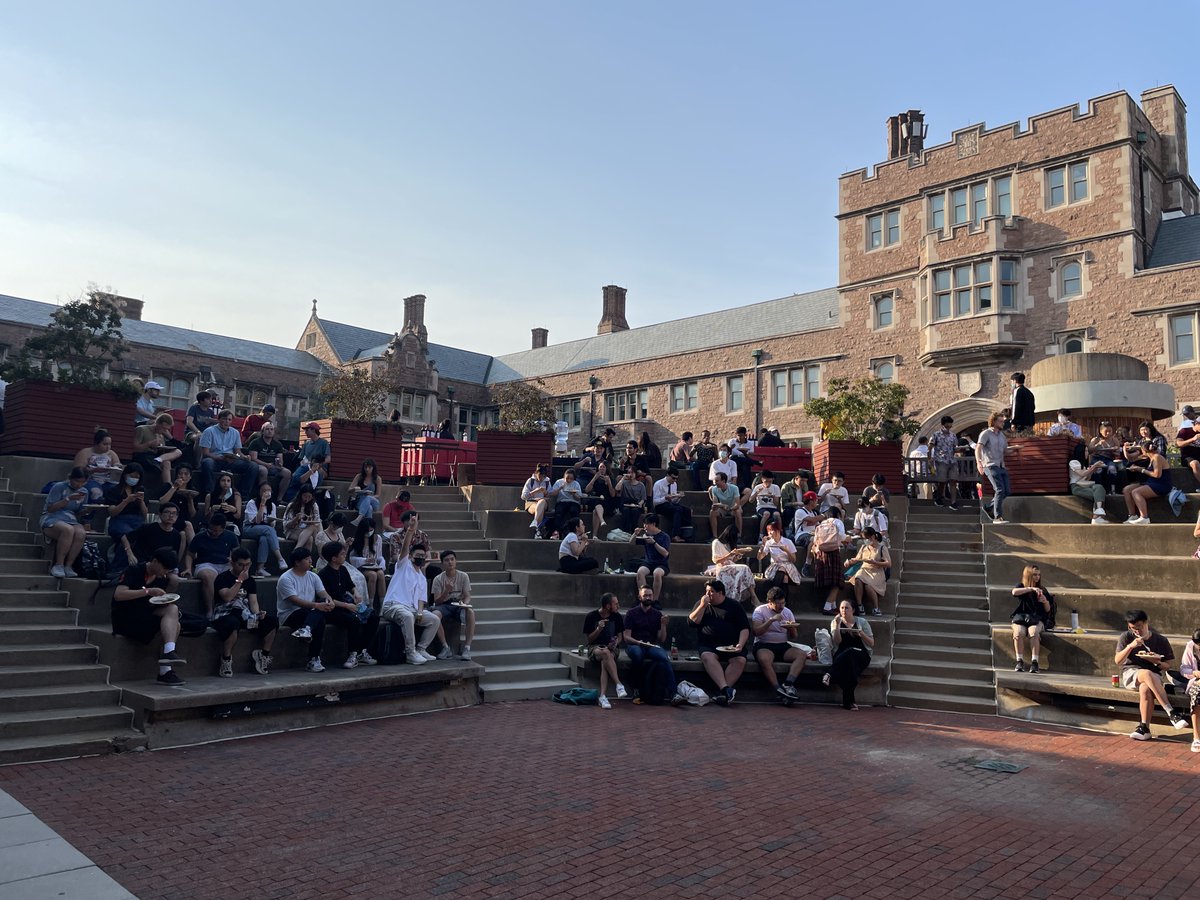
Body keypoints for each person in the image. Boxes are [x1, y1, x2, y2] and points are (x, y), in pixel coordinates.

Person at [112, 548, 186, 685]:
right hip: (126, 618)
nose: (165, 573)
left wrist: (165, 599)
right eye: (164, 568)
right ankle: (165, 670)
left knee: (173, 612)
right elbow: (119, 595)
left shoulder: (161, 579)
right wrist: (147, 591)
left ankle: (168, 655)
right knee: (174, 625)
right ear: (155, 561)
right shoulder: (134, 571)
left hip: (145, 613)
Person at [1115, 609, 1190, 739]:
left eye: (1139, 627)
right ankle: (1171, 712)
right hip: (1131, 674)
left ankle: (1144, 728)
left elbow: (1168, 665)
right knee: (1146, 674)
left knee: (1145, 688)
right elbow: (1118, 661)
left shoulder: (1160, 640)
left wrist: (1156, 662)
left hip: (1154, 676)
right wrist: (1130, 646)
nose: (1137, 631)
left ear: (1146, 623)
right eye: (1133, 628)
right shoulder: (1126, 637)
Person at [379, 518, 441, 665]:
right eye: (417, 555)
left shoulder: (422, 577)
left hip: (412, 609)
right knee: (407, 616)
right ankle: (410, 653)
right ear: (411, 556)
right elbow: (405, 547)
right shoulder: (403, 565)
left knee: (434, 619)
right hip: (393, 606)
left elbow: (421, 599)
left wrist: (420, 612)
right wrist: (411, 530)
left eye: (423, 556)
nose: (420, 558)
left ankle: (421, 649)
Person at [211, 547, 280, 676]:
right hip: (225, 614)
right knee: (233, 623)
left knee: (272, 621)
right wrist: (239, 581)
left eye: (247, 565)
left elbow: (253, 602)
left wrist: (258, 614)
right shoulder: (222, 578)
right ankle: (226, 659)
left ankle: (263, 655)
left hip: (244, 613)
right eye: (241, 565)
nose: (244, 568)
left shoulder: (250, 580)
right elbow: (227, 597)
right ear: (232, 563)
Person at [316, 541, 380, 669]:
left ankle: (362, 651)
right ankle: (352, 654)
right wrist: (346, 605)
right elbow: (327, 599)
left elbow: (350, 586)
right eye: (342, 554)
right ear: (334, 558)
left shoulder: (343, 569)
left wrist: (356, 593)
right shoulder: (323, 574)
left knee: (373, 617)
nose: (344, 555)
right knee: (353, 621)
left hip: (347, 603)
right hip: (333, 609)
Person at [688, 580, 750, 706]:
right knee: (707, 657)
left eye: (711, 592)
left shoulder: (734, 606)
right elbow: (692, 622)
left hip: (731, 646)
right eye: (706, 591)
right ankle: (725, 690)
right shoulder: (701, 604)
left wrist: (740, 644)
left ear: (720, 593)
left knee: (740, 660)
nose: (707, 594)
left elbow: (745, 628)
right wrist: (702, 606)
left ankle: (723, 692)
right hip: (709, 645)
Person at [622, 585, 675, 702]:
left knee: (664, 657)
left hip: (651, 646)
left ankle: (673, 693)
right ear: (639, 597)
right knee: (637, 654)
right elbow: (626, 637)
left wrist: (663, 625)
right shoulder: (631, 613)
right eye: (645, 595)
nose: (648, 598)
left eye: (650, 595)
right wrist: (638, 643)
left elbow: (662, 639)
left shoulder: (657, 614)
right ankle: (636, 688)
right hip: (635, 644)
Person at [752, 587, 805, 701]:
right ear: (770, 602)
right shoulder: (760, 611)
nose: (781, 606)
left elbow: (794, 636)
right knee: (764, 659)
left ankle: (788, 684)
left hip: (782, 645)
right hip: (764, 644)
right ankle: (777, 688)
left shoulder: (787, 612)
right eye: (778, 604)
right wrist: (771, 620)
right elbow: (756, 632)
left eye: (783, 603)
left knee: (801, 655)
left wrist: (791, 628)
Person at [186, 512, 241, 613]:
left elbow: (237, 553)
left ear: (223, 528)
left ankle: (233, 607)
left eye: (216, 531)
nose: (213, 532)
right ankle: (210, 610)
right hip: (205, 564)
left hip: (225, 563)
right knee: (209, 576)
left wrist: (233, 560)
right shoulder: (200, 537)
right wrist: (188, 568)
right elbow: (190, 554)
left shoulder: (231, 536)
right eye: (211, 529)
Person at [40, 466, 89, 578]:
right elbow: (50, 508)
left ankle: (69, 565)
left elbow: (79, 511)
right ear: (71, 478)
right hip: (53, 517)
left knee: (81, 533)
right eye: (77, 481)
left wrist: (88, 510)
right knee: (68, 529)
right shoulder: (59, 486)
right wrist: (68, 499)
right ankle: (59, 564)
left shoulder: (84, 491)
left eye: (82, 482)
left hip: (71, 518)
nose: (79, 485)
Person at [825, 599, 874, 710]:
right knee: (850, 667)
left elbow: (871, 643)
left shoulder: (862, 622)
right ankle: (849, 702)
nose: (843, 610)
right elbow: (837, 641)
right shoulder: (835, 622)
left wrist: (861, 633)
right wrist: (837, 625)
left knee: (851, 651)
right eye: (842, 608)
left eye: (847, 608)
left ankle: (830, 673)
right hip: (842, 655)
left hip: (860, 654)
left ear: (853, 610)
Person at [582, 592, 627, 709]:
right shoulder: (591, 616)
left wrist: (615, 643)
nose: (618, 606)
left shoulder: (617, 617)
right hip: (595, 648)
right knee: (605, 653)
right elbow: (589, 639)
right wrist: (598, 629)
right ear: (608, 606)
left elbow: (620, 637)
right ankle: (618, 684)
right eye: (616, 604)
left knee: (605, 659)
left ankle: (602, 697)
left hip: (612, 648)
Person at [199, 409, 256, 497]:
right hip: (215, 459)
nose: (227, 422)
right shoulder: (209, 431)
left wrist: (244, 457)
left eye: (229, 420)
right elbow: (205, 453)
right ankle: (209, 493)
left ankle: (243, 495)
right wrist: (220, 458)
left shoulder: (235, 432)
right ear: (219, 419)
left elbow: (237, 452)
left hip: (231, 461)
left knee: (253, 466)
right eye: (224, 419)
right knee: (207, 463)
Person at [430, 549, 475, 660]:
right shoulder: (438, 579)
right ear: (442, 563)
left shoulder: (463, 576)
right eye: (447, 560)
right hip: (444, 605)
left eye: (452, 559)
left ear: (455, 561)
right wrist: (446, 591)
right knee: (435, 615)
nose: (450, 562)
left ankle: (467, 648)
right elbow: (437, 601)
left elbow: (467, 596)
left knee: (470, 612)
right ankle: (445, 647)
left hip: (458, 604)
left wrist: (465, 604)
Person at [105, 462, 149, 572]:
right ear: (125, 475)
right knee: (127, 535)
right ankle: (119, 567)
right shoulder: (114, 490)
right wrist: (126, 501)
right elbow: (112, 512)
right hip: (119, 520)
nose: (134, 479)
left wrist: (141, 502)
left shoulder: (141, 490)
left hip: (136, 520)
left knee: (143, 535)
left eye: (137, 477)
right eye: (132, 476)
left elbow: (145, 514)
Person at [129, 503, 187, 584]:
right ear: (160, 514)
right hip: (145, 563)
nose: (171, 515)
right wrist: (129, 553)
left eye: (174, 513)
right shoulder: (148, 528)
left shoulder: (176, 535)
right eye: (167, 512)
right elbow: (125, 537)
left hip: (163, 566)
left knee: (174, 580)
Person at [1010, 565, 1053, 673]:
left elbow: (1048, 610)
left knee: (1033, 632)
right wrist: (1031, 589)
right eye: (1034, 575)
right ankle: (1019, 661)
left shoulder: (1042, 589)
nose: (1037, 577)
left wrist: (1045, 601)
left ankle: (1035, 662)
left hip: (1036, 619)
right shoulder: (1022, 586)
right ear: (1028, 575)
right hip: (1021, 619)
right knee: (1018, 632)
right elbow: (1014, 592)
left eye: (1039, 575)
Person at [977, 411, 1015, 523]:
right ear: (994, 421)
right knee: (999, 489)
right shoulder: (986, 434)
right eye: (1001, 421)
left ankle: (988, 508)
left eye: (1003, 421)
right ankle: (997, 517)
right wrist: (979, 462)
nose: (1003, 423)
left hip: (1001, 466)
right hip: (990, 465)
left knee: (1006, 491)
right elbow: (978, 448)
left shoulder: (1002, 436)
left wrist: (1015, 448)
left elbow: (1005, 450)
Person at [243, 481, 288, 577]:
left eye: (269, 490)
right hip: (249, 528)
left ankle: (260, 568)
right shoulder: (252, 503)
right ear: (259, 492)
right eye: (264, 491)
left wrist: (271, 521)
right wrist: (262, 503)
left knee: (264, 538)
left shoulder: (272, 505)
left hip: (264, 529)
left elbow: (272, 525)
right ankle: (280, 558)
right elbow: (257, 521)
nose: (267, 493)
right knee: (268, 530)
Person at [704, 524, 755, 607]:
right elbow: (716, 560)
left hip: (731, 566)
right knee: (745, 568)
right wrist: (730, 554)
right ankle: (753, 597)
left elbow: (731, 560)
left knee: (743, 572)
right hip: (722, 567)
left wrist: (737, 556)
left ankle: (751, 596)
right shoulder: (716, 542)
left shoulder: (729, 544)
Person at [812, 508, 850, 613]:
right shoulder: (838, 522)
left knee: (830, 581)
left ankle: (833, 606)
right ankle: (827, 607)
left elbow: (815, 540)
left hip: (821, 554)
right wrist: (849, 538)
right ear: (838, 514)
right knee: (837, 582)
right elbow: (842, 537)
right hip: (833, 552)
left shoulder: (822, 524)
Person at [1122, 443, 1171, 524]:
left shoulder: (1157, 457)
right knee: (1127, 490)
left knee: (1136, 492)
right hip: (1151, 482)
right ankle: (1132, 515)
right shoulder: (1151, 458)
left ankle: (1144, 517)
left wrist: (1142, 470)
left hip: (1161, 484)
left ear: (1144, 450)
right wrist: (1137, 469)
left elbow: (1157, 475)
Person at [845, 527, 889, 617]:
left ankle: (876, 608)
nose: (865, 541)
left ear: (872, 537)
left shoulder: (882, 548)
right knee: (858, 578)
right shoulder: (864, 547)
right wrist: (849, 562)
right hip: (864, 569)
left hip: (876, 571)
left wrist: (875, 562)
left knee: (868, 586)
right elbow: (857, 559)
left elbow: (888, 564)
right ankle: (859, 605)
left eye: (866, 538)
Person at [132, 412, 183, 485]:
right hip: (143, 456)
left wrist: (163, 449)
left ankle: (167, 486)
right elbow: (134, 448)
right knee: (166, 463)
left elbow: (160, 448)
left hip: (155, 456)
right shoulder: (142, 429)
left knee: (176, 453)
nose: (165, 431)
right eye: (164, 428)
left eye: (167, 429)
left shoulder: (160, 435)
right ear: (159, 424)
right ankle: (167, 484)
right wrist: (149, 444)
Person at [74, 428, 122, 502]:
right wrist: (93, 470)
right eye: (105, 444)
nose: (108, 447)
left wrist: (116, 467)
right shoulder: (85, 452)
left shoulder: (112, 453)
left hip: (107, 480)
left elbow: (117, 466)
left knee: (116, 491)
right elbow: (78, 470)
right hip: (90, 479)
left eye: (109, 444)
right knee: (96, 492)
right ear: (97, 443)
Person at [286, 422, 331, 500]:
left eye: (307, 430)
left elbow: (328, 459)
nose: (305, 432)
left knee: (316, 472)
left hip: (320, 468)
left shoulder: (324, 443)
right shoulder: (306, 444)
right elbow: (301, 458)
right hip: (306, 466)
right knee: (296, 475)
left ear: (313, 430)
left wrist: (318, 465)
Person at [246, 421, 291, 498]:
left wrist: (279, 465)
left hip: (273, 466)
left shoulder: (278, 444)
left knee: (287, 473)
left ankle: (280, 498)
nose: (269, 431)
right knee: (263, 470)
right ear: (262, 431)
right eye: (267, 429)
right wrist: (266, 464)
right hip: (259, 465)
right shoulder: (255, 442)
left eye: (271, 429)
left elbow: (280, 458)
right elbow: (253, 459)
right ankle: (262, 496)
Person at [632, 514, 670, 602]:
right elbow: (631, 542)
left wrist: (654, 543)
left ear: (653, 524)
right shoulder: (645, 535)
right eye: (644, 524)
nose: (644, 526)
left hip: (661, 564)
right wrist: (635, 534)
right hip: (648, 562)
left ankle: (654, 601)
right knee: (640, 572)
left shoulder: (664, 536)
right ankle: (643, 598)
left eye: (647, 524)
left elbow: (665, 553)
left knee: (657, 573)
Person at [349, 519, 387, 605]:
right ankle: (370, 603)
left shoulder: (378, 538)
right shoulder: (357, 540)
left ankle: (382, 603)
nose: (369, 533)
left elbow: (379, 556)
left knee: (381, 574)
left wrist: (381, 563)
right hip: (362, 566)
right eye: (367, 531)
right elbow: (352, 558)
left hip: (374, 566)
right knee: (372, 575)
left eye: (371, 530)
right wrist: (364, 560)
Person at [758, 520, 800, 599]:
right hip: (774, 566)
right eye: (768, 531)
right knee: (784, 579)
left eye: (771, 530)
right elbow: (759, 557)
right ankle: (781, 600)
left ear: (778, 531)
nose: (769, 533)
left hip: (788, 566)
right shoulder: (769, 543)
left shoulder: (788, 542)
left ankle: (773, 596)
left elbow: (793, 559)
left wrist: (786, 550)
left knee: (782, 569)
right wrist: (763, 545)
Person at [159, 464, 199, 538]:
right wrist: (174, 487)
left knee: (183, 534)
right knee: (187, 525)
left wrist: (190, 500)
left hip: (184, 519)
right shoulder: (168, 486)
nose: (182, 476)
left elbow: (192, 514)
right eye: (180, 473)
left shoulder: (193, 491)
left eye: (186, 474)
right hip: (169, 517)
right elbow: (162, 502)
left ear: (190, 477)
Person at [651, 468, 692, 540]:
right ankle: (675, 535)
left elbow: (674, 502)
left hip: (670, 505)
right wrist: (665, 498)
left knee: (687, 510)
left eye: (676, 478)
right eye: (673, 478)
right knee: (678, 509)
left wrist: (678, 497)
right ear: (668, 475)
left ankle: (687, 534)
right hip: (660, 506)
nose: (674, 480)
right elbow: (655, 502)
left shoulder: (674, 484)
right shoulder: (658, 484)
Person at [930, 415, 960, 509]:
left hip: (952, 461)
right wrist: (930, 460)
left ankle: (953, 502)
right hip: (941, 460)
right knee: (942, 481)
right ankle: (938, 498)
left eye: (950, 425)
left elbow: (955, 447)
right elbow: (930, 447)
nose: (948, 427)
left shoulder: (953, 435)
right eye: (947, 425)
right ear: (943, 425)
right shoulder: (936, 435)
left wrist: (959, 450)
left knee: (953, 481)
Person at [1177, 630, 1200, 753]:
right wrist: (1194, 673)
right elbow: (1184, 668)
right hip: (1196, 682)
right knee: (1197, 694)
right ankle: (1196, 737)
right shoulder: (1190, 647)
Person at [1068, 459, 1110, 524]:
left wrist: (1093, 469)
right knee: (1098, 494)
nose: (1086, 454)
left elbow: (1087, 478)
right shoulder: (1073, 462)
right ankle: (1097, 517)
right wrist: (1094, 465)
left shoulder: (1084, 464)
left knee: (1099, 487)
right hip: (1076, 486)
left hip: (1085, 485)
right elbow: (1082, 474)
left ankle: (1098, 512)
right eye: (1085, 452)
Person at [548, 468, 585, 538]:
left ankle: (576, 532)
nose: (569, 480)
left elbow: (579, 497)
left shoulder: (576, 484)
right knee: (559, 512)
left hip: (573, 502)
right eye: (567, 478)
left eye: (571, 479)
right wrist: (560, 488)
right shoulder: (559, 482)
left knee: (574, 511)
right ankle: (557, 532)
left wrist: (573, 494)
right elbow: (552, 494)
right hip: (562, 501)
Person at [283, 485, 322, 551]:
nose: (307, 499)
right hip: (293, 531)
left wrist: (310, 521)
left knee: (310, 537)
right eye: (305, 496)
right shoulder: (292, 505)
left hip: (307, 530)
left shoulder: (314, 505)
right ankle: (298, 550)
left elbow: (317, 521)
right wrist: (296, 519)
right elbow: (286, 524)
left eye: (309, 497)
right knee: (310, 534)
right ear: (300, 495)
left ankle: (298, 552)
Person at [708, 471, 743, 540]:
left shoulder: (734, 488)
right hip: (722, 508)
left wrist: (730, 508)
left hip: (733, 508)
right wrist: (723, 505)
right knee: (712, 512)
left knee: (738, 512)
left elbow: (737, 504)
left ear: (723, 481)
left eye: (717, 481)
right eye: (715, 481)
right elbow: (715, 504)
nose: (715, 483)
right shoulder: (714, 489)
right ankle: (714, 536)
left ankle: (739, 536)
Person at [585, 462, 618, 536]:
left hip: (607, 502)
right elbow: (587, 490)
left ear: (607, 468)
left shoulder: (611, 479)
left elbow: (613, 495)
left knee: (595, 511)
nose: (602, 469)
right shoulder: (595, 478)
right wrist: (594, 478)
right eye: (600, 467)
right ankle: (601, 521)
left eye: (603, 467)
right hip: (597, 500)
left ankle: (594, 535)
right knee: (597, 505)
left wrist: (609, 483)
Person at [745, 469, 782, 534]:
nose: (768, 483)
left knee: (777, 514)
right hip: (761, 507)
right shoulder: (758, 487)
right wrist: (756, 492)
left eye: (770, 481)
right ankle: (761, 533)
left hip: (772, 507)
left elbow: (776, 504)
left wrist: (773, 497)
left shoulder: (776, 487)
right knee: (766, 514)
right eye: (766, 481)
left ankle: (779, 532)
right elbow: (750, 500)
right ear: (762, 480)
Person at [348, 458, 382, 526]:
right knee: (369, 508)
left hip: (373, 501)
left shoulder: (377, 478)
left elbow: (378, 495)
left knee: (368, 498)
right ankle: (369, 528)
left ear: (373, 468)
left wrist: (370, 496)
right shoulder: (359, 476)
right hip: (361, 501)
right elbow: (349, 490)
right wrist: (355, 489)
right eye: (365, 467)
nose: (367, 469)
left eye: (369, 467)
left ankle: (359, 518)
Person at [521, 464, 551, 539]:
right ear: (536, 473)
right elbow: (523, 496)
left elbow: (550, 495)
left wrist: (546, 493)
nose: (541, 478)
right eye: (540, 476)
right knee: (539, 509)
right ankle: (537, 532)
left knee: (541, 502)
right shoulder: (530, 481)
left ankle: (535, 521)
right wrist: (535, 491)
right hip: (531, 502)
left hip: (543, 502)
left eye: (543, 477)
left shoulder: (547, 482)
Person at [616, 468, 648, 533]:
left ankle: (634, 530)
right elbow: (617, 488)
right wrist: (623, 478)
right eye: (629, 472)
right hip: (625, 504)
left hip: (636, 504)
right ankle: (626, 530)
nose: (631, 474)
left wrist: (640, 504)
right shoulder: (624, 483)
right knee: (626, 510)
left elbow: (643, 498)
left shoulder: (641, 485)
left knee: (635, 511)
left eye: (632, 472)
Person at [1176, 405, 1200, 487]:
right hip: (1188, 457)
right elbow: (1178, 444)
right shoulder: (1184, 430)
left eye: (1188, 414)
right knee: (1195, 463)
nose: (1186, 416)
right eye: (1185, 415)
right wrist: (1193, 439)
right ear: (1196, 424)